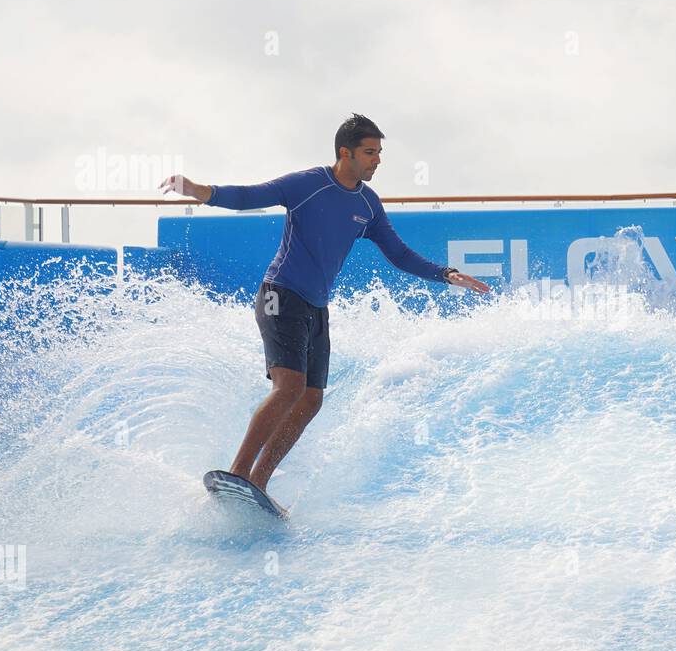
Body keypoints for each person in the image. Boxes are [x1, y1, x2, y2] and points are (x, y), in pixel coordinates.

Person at [160, 113, 489, 499]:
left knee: (311, 399)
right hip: (279, 294)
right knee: (289, 387)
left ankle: (258, 483)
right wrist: (198, 190)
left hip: (316, 307)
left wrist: (445, 274)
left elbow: (398, 253)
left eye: (379, 153)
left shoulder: (368, 204)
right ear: (345, 153)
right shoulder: (308, 184)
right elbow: (250, 197)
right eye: (370, 153)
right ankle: (237, 474)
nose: (377, 160)